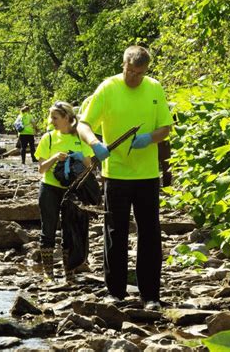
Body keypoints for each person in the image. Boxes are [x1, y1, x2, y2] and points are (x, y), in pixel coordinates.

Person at [77, 45, 172, 310]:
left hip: (146, 175)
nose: (134, 78)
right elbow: (83, 124)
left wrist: (149, 138)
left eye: (139, 73)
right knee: (115, 232)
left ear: (146, 71)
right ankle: (115, 292)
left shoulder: (154, 88)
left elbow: (165, 128)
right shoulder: (107, 88)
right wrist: (95, 143)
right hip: (115, 173)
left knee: (150, 233)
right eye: (130, 71)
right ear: (123, 65)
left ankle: (150, 295)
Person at [34, 101, 93, 283]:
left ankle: (69, 273)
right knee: (48, 229)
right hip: (50, 188)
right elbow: (41, 169)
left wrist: (77, 157)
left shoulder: (79, 138)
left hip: (71, 190)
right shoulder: (48, 138)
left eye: (55, 117)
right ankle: (49, 274)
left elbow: (89, 165)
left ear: (67, 118)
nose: (51, 121)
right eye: (51, 117)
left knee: (70, 231)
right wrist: (54, 157)